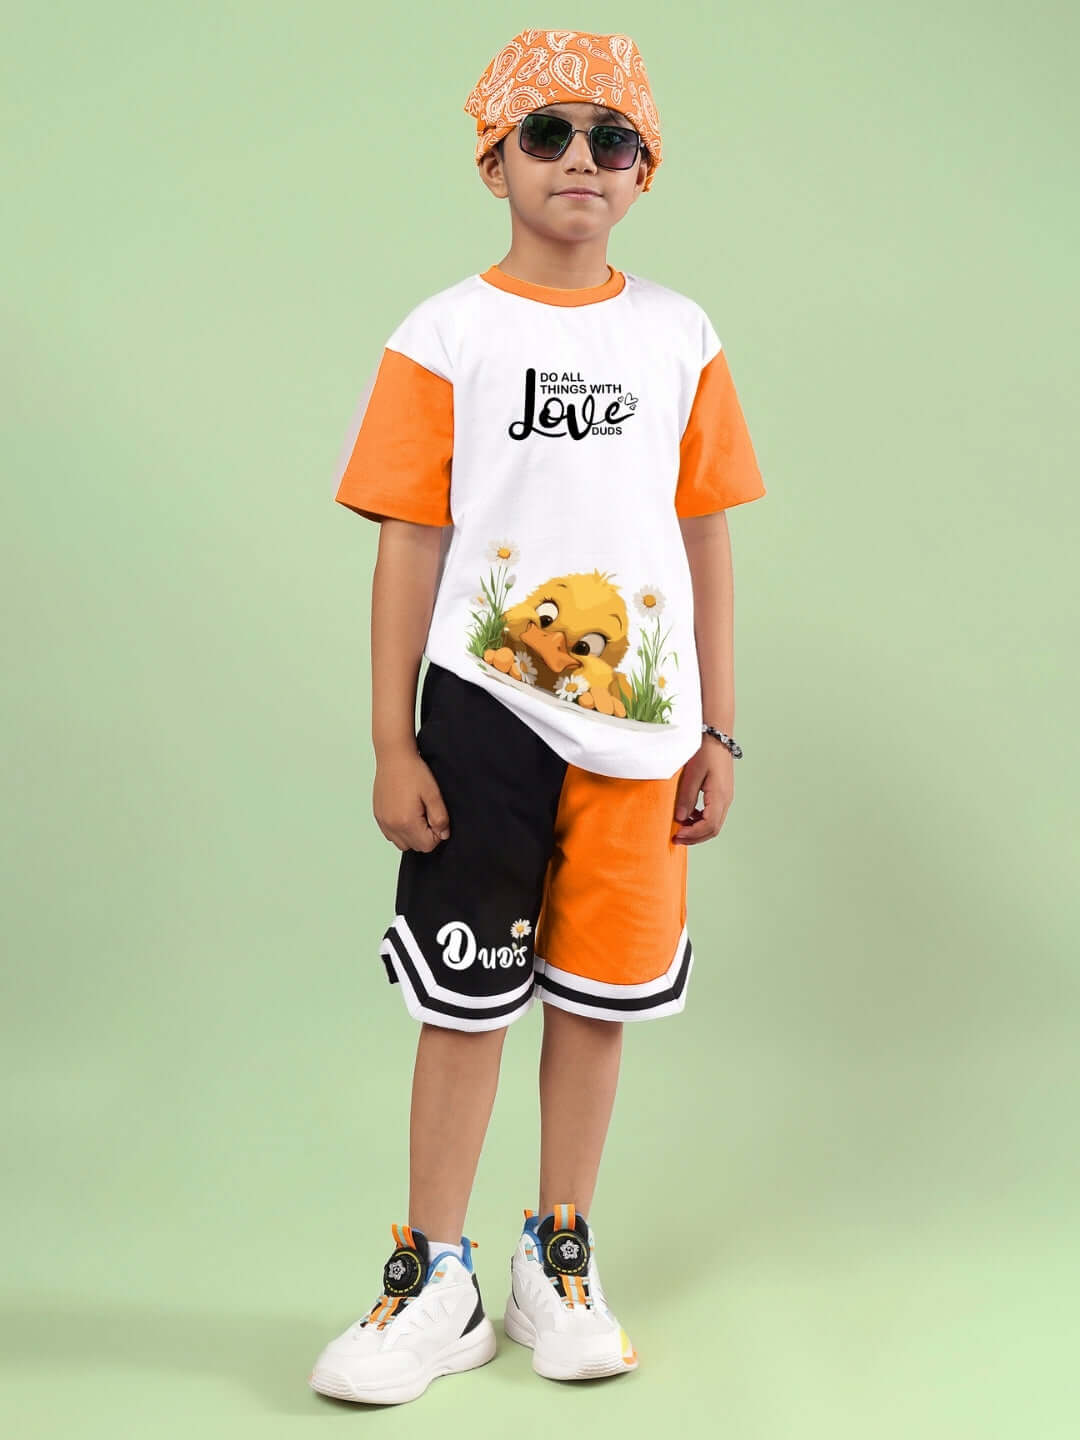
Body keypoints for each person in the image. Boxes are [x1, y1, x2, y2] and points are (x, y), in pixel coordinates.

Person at [309, 27, 766, 1407]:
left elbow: (703, 537)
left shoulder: (680, 336)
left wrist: (717, 727)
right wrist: (394, 736)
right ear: (494, 155)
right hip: (484, 720)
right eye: (549, 134)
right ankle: (433, 1275)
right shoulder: (444, 333)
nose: (581, 160)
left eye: (611, 139)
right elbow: (406, 539)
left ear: (644, 172)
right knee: (466, 1005)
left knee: (596, 1001)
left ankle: (554, 1251)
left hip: (638, 736)